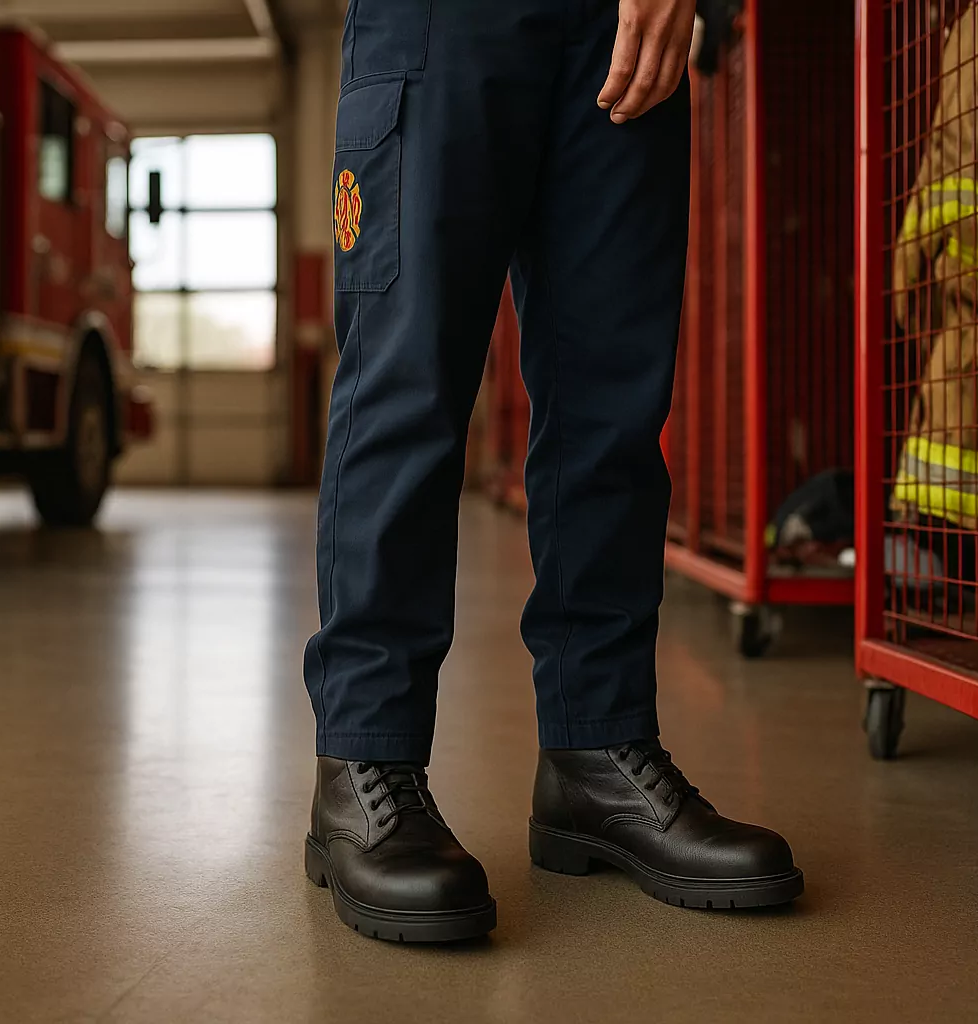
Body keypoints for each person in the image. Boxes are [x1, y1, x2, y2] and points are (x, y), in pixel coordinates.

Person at [304, 0, 803, 943]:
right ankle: (363, 760)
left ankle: (596, 750)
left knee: (611, 408)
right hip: (438, 26)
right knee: (406, 389)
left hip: (622, 26)